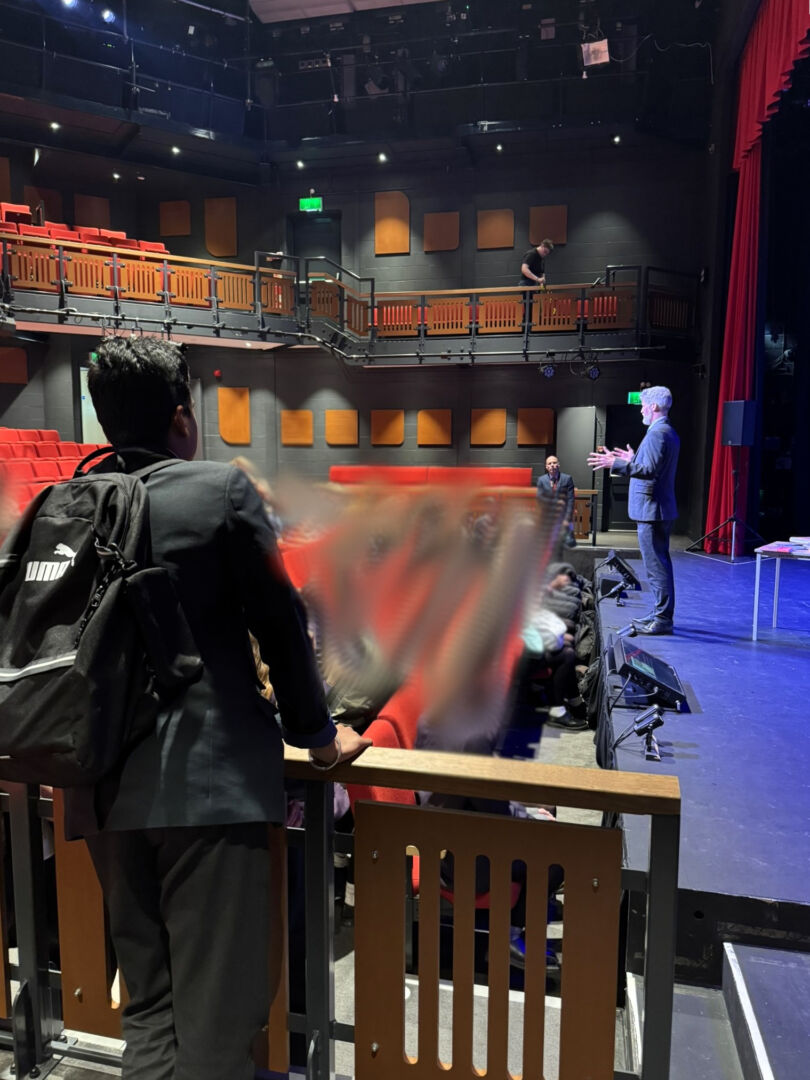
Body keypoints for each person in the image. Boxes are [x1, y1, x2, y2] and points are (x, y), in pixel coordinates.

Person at [63, 337, 370, 1080]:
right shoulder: (218, 492)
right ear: (181, 418)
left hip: (99, 786)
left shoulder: (66, 499)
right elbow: (281, 626)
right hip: (206, 786)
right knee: (219, 1023)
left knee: (151, 1010)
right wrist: (317, 737)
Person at [587, 386, 680, 635]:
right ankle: (659, 613)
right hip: (655, 509)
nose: (641, 409)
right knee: (657, 564)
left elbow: (649, 471)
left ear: (654, 407)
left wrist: (615, 463)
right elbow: (649, 465)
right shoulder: (663, 432)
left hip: (652, 509)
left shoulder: (657, 434)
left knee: (656, 566)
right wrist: (631, 460)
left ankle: (662, 619)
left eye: (643, 405)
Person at [536, 454, 576, 548]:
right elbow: (540, 498)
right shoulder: (541, 480)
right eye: (549, 463)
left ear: (558, 464)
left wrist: (567, 518)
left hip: (563, 513)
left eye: (554, 463)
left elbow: (570, 500)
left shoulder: (567, 479)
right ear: (546, 467)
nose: (552, 465)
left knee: (566, 544)